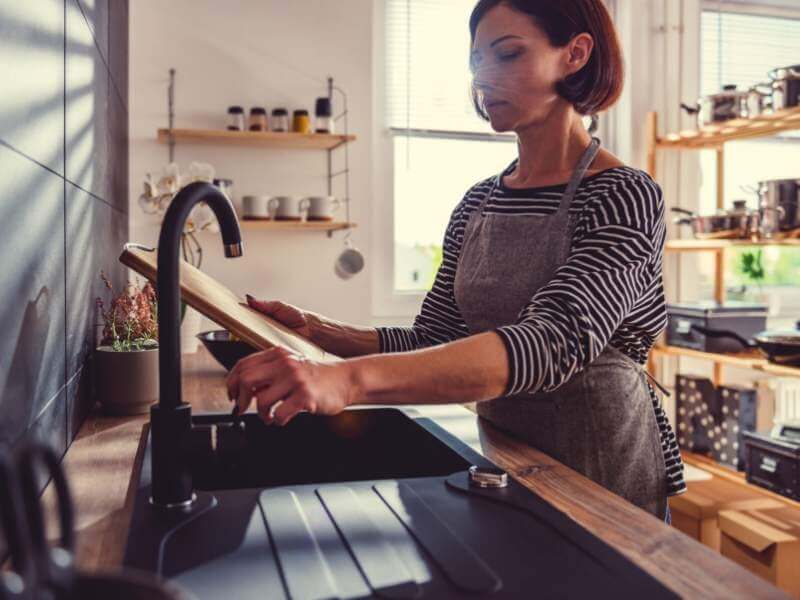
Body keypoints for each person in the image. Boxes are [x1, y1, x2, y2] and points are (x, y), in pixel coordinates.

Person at [226, 0, 684, 522]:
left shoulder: (623, 195)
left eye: (508, 54)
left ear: (575, 55)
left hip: (602, 476)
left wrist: (347, 380)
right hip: (508, 459)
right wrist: (322, 333)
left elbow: (553, 344)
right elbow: (435, 336)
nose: (483, 77)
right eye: (477, 60)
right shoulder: (477, 202)